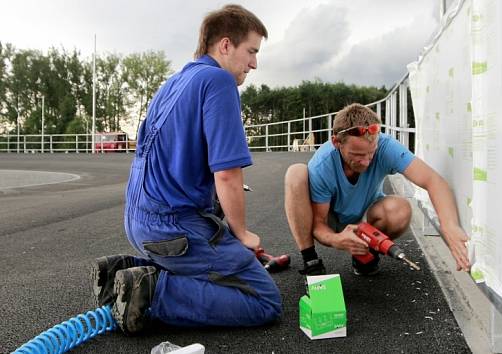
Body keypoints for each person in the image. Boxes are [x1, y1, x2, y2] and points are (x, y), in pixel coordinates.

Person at [90, 5, 281, 334]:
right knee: (263, 299)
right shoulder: (218, 82)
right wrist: (241, 233)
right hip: (173, 231)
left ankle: (123, 273)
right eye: (250, 51)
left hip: (138, 223)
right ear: (225, 45)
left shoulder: (173, 83)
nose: (254, 63)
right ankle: (148, 293)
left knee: (219, 263)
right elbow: (227, 174)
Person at [284, 103, 470, 276]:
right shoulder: (323, 164)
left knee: (399, 210)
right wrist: (336, 239)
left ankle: (365, 256)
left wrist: (449, 226)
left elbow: (433, 181)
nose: (366, 161)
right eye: (357, 155)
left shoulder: (386, 146)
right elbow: (318, 223)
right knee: (295, 173)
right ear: (336, 142)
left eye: (370, 153)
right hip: (330, 218)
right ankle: (311, 261)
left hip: (366, 216)